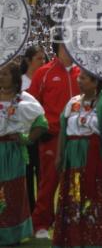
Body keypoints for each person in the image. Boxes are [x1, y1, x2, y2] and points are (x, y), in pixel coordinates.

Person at [52, 70, 102, 248]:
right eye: (79, 77)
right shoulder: (73, 102)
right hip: (74, 156)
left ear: (95, 82)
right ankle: (74, 237)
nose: (79, 80)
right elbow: (63, 129)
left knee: (96, 195)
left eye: (83, 78)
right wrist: (60, 155)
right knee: (75, 195)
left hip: (98, 157)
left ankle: (98, 238)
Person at [28, 33, 80, 239]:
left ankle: (73, 220)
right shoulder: (44, 73)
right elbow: (31, 105)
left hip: (78, 136)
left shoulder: (83, 72)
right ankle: (41, 224)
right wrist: (42, 128)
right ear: (60, 47)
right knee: (49, 181)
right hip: (53, 136)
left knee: (77, 180)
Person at [0, 62, 48, 246]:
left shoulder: (24, 99)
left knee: (12, 193)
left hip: (13, 151)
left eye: (5, 73)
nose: (1, 77)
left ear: (14, 77)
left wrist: (26, 139)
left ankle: (12, 235)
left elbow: (41, 123)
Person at [20, 45, 46, 212]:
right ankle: (29, 209)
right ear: (28, 60)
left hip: (43, 132)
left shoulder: (45, 78)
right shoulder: (19, 81)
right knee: (27, 173)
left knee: (43, 174)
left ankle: (42, 210)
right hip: (24, 134)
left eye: (44, 58)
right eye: (39, 58)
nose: (43, 62)